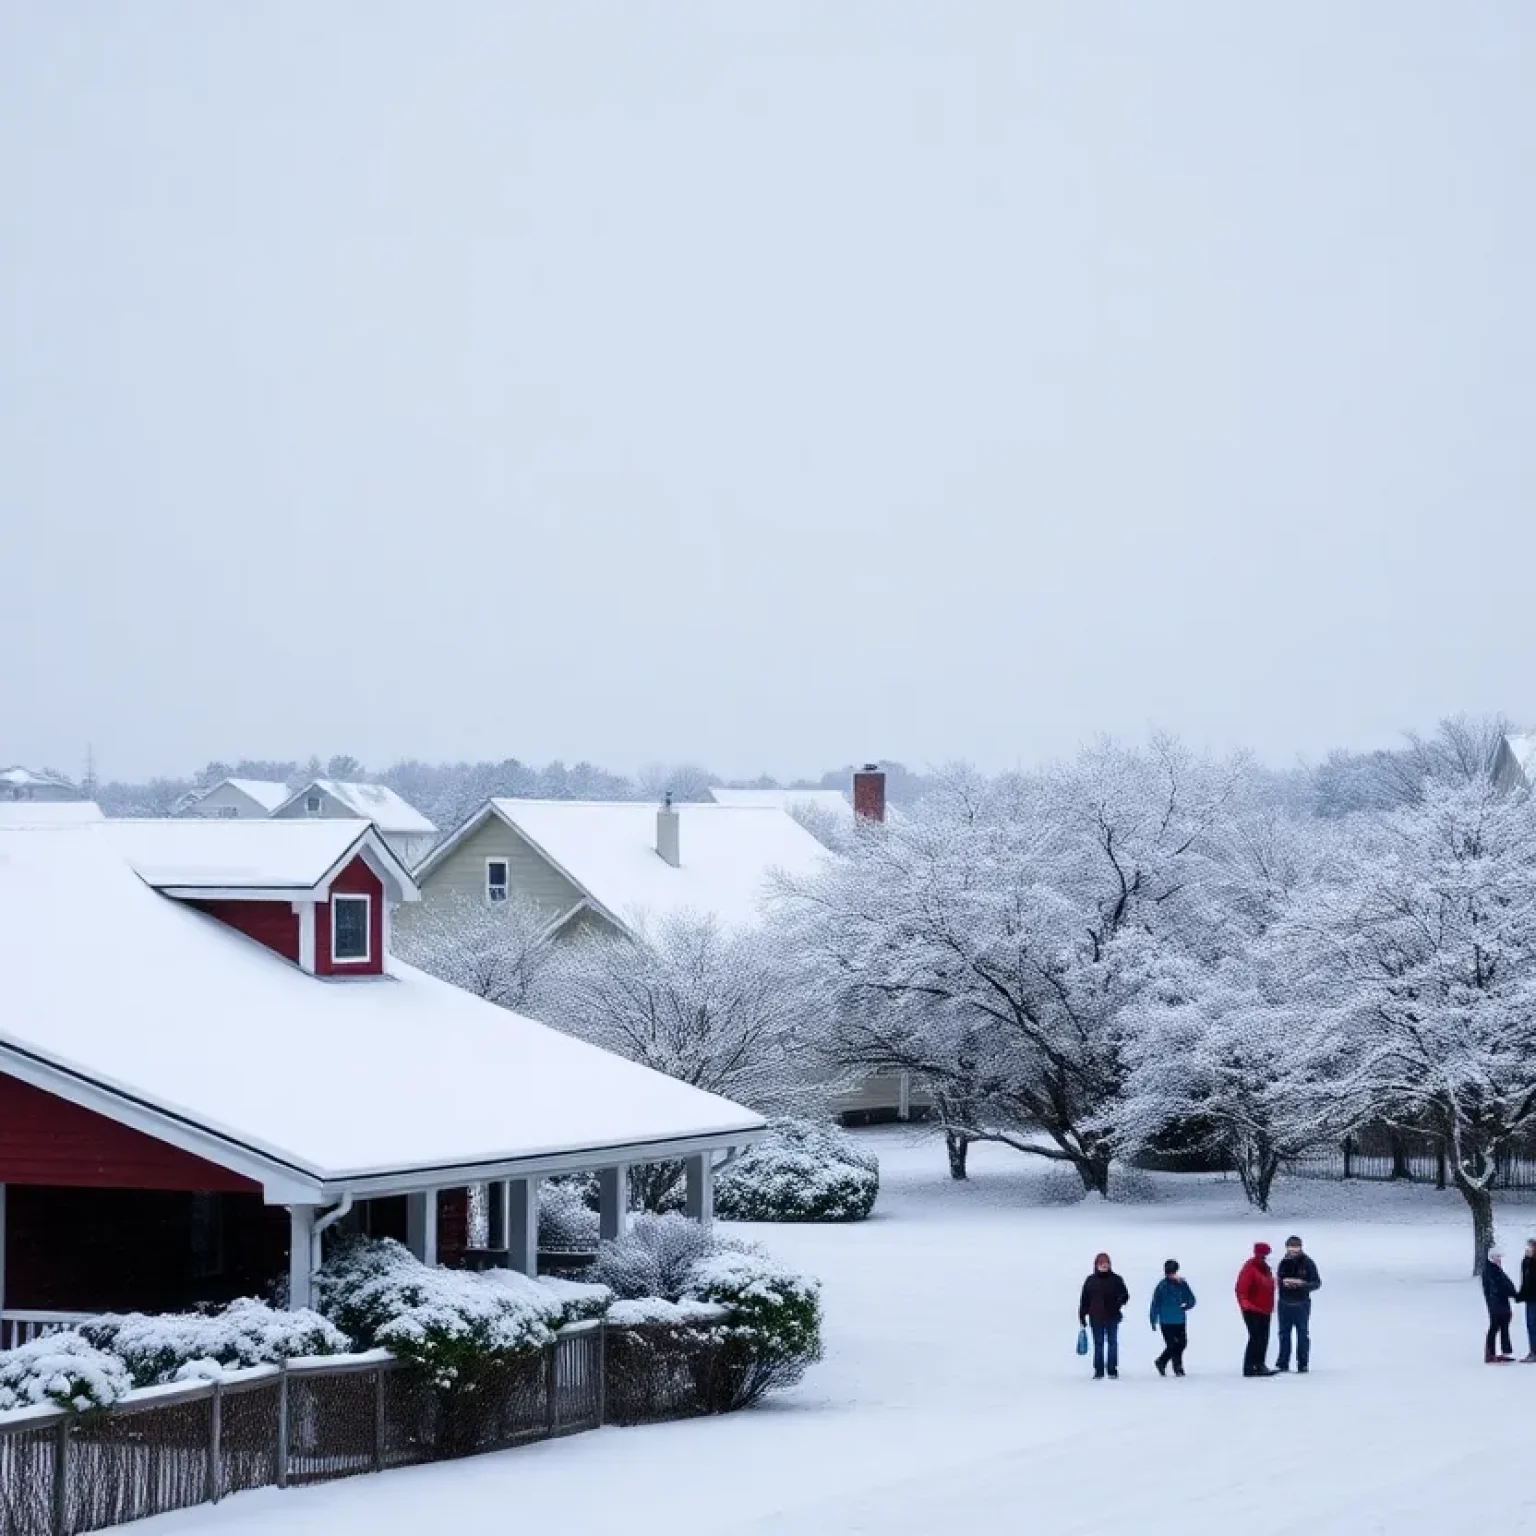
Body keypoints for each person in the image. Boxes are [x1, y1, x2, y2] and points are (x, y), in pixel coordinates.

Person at [1079, 1252, 1130, 1380]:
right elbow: (1084, 1299)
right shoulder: (1090, 1280)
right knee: (1098, 1343)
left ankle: (1112, 1369)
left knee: (1112, 1343)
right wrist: (1082, 1314)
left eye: (1106, 1263)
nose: (1104, 1265)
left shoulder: (1116, 1279)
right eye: (1101, 1263)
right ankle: (1099, 1370)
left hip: (1113, 1316)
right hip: (1096, 1317)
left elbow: (1125, 1295)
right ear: (1096, 1265)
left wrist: (1119, 1301)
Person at [1275, 1235, 1321, 1374]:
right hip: (1284, 1303)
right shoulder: (1283, 1262)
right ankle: (1283, 1363)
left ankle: (1303, 1363)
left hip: (1302, 1303)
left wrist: (1303, 1285)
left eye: (1296, 1247)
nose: (1293, 1250)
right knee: (1284, 1334)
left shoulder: (1308, 1263)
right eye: (1291, 1247)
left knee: (1302, 1333)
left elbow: (1316, 1282)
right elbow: (1279, 1280)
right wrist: (1285, 1284)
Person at [1235, 1241, 1277, 1377]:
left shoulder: (1265, 1268)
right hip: (1252, 1309)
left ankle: (1259, 1364)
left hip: (1265, 1309)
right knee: (1256, 1337)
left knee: (1263, 1337)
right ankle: (1250, 1366)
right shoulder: (1250, 1268)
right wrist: (1245, 1304)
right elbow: (1241, 1289)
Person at [1149, 1259, 1197, 1377]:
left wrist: (1187, 1306)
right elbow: (1155, 1303)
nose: (1171, 1274)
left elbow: (1191, 1299)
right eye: (1169, 1272)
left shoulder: (1182, 1284)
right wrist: (1153, 1319)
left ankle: (1162, 1361)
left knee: (1181, 1343)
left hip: (1179, 1320)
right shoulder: (1162, 1286)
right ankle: (1178, 1367)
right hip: (1166, 1321)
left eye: (1173, 1272)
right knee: (1172, 1345)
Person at [1484, 1247, 1518, 1363]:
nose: (1499, 1259)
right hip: (1496, 1305)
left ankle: (1504, 1352)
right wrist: (1509, 1292)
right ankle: (1490, 1354)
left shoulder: (1497, 1270)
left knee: (1504, 1327)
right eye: (1497, 1257)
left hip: (1502, 1304)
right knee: (1495, 1327)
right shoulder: (1490, 1271)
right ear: (1491, 1258)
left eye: (1500, 1257)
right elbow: (1497, 1288)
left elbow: (1508, 1284)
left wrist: (1513, 1293)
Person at [1516, 1238, 1536, 1364]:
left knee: (1533, 1325)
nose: (1528, 1250)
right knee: (1531, 1325)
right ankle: (1533, 1350)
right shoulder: (1526, 1262)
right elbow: (1525, 1281)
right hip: (1530, 1298)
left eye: (1530, 1248)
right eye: (1527, 1248)